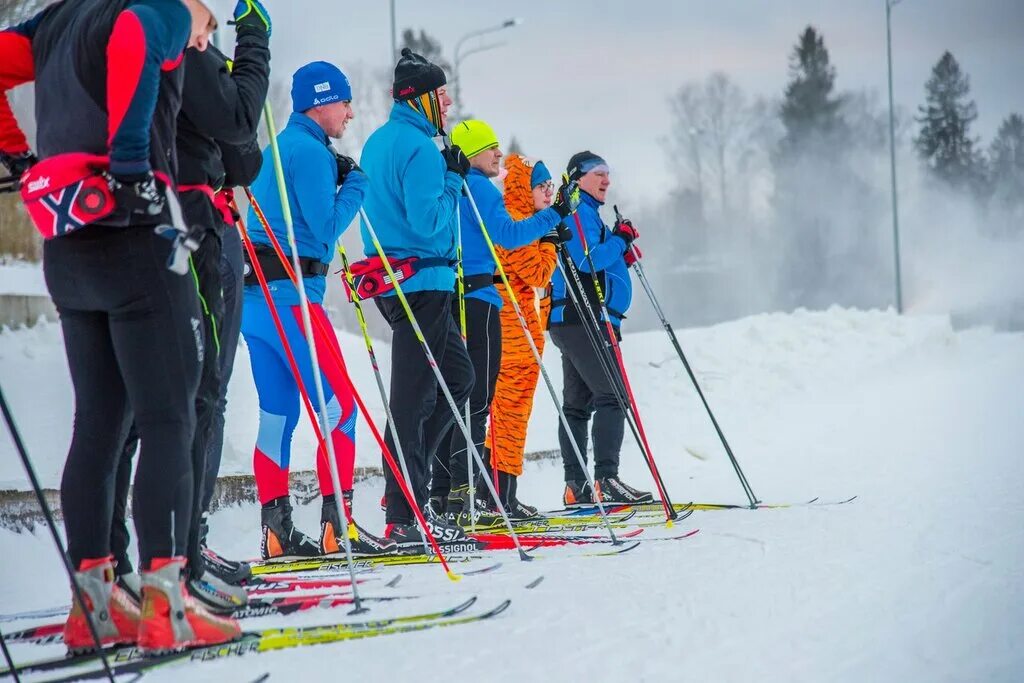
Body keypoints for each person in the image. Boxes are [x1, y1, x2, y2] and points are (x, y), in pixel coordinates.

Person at [0, 0, 240, 653]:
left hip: (69, 243)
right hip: (137, 235)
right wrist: (132, 163)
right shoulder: (156, 7)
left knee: (99, 426)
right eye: (204, 25)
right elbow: (138, 33)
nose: (200, 36)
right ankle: (168, 606)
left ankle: (94, 606)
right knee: (169, 419)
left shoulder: (56, 19)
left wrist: (17, 155)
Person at [107, 0, 272, 613]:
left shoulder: (85, 29)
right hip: (185, 223)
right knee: (193, 399)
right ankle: (177, 565)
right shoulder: (173, 32)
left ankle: (121, 573)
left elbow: (240, 150)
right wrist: (252, 45)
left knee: (123, 411)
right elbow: (237, 130)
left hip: (113, 222)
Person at [242, 60, 395, 560]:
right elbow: (326, 228)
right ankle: (338, 527)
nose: (350, 113)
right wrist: (355, 184)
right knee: (340, 410)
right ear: (321, 101)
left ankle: (276, 531)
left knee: (276, 417)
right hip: (291, 302)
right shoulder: (308, 151)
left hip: (258, 304)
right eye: (345, 102)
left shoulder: (279, 149)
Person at [359, 48, 473, 547]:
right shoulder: (422, 149)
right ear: (422, 98)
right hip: (422, 282)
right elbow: (428, 221)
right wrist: (453, 178)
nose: (447, 104)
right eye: (441, 95)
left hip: (398, 280)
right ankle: (404, 511)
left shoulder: (380, 141)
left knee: (457, 377)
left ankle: (409, 486)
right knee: (415, 396)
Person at [431, 121, 572, 523]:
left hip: (479, 303)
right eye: (490, 148)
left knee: (473, 399)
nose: (499, 155)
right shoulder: (484, 193)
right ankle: (480, 495)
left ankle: (462, 495)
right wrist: (551, 227)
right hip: (491, 310)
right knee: (487, 404)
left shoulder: (463, 187)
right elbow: (526, 261)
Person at [546, 151, 653, 506]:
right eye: (598, 174)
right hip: (584, 319)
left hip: (577, 318)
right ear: (578, 178)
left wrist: (619, 253)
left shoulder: (586, 213)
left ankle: (576, 485)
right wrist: (620, 241)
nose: (606, 180)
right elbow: (587, 260)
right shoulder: (578, 210)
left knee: (577, 404)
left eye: (608, 174)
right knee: (613, 397)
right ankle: (606, 479)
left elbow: (595, 258)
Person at [482, 153, 561, 518]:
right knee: (509, 411)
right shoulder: (516, 219)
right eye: (542, 186)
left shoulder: (520, 217)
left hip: (520, 324)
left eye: (550, 186)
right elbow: (537, 273)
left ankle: (502, 493)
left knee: (512, 412)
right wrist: (550, 241)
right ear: (523, 189)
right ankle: (497, 494)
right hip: (511, 330)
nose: (549, 193)